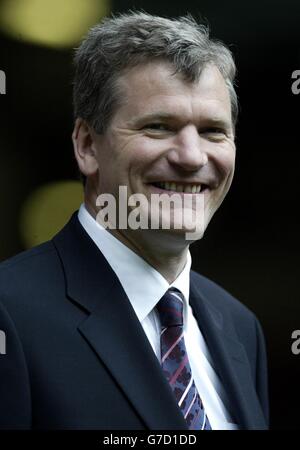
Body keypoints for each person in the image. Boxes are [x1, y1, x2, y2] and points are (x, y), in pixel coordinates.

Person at [0, 11, 269, 430]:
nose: (192, 157)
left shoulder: (240, 327)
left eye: (213, 131)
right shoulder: (9, 314)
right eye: (159, 127)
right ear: (88, 145)